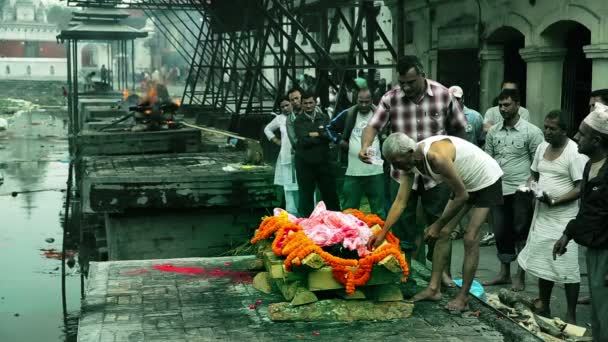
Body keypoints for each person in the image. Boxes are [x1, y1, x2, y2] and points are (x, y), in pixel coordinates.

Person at [359, 55, 467, 286]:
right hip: (403, 171)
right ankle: (404, 268)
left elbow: (460, 129)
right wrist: (365, 146)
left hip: (436, 173)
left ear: (422, 75)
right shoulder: (391, 98)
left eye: (411, 82)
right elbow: (373, 126)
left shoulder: (443, 94)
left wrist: (455, 162)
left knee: (440, 223)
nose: (406, 88)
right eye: (402, 83)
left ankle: (442, 273)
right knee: (402, 223)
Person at [370, 133, 503, 311]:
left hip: (486, 179)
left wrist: (437, 224)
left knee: (470, 238)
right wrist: (382, 234)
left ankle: (463, 298)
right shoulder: (409, 162)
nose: (395, 167)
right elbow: (400, 201)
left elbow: (462, 195)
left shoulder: (436, 157)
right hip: (464, 184)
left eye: (396, 162)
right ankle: (433, 289)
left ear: (410, 152)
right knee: (443, 233)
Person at [517, 110, 587, 324]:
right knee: (544, 261)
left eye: (552, 128)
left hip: (564, 217)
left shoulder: (574, 152)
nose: (546, 132)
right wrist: (531, 188)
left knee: (567, 267)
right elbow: (534, 175)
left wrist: (556, 201)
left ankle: (571, 315)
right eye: (545, 127)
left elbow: (579, 188)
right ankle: (544, 304)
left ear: (564, 131)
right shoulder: (541, 148)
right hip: (543, 213)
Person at [553, 103, 608, 342]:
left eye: (581, 134)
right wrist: (568, 234)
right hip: (594, 246)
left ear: (596, 141)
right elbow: (588, 210)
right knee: (598, 307)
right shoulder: (589, 166)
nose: (576, 137)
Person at [484, 89, 544, 291]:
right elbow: (488, 159)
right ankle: (504, 273)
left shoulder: (532, 132)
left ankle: (520, 275)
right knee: (501, 232)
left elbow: (539, 164)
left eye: (507, 104)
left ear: (517, 105)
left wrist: (533, 188)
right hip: (498, 188)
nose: (503, 109)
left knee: (521, 232)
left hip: (522, 190)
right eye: (500, 105)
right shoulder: (493, 132)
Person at [339, 88, 385, 218]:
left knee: (378, 210)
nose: (364, 105)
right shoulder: (348, 114)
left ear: (372, 100)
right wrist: (341, 142)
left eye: (367, 101)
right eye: (361, 101)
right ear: (356, 100)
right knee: (349, 211)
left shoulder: (380, 115)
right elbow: (329, 128)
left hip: (375, 170)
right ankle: (350, 236)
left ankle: (380, 236)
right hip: (353, 171)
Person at [293, 92, 340, 216]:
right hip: (305, 164)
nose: (308, 106)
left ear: (315, 103)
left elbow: (329, 135)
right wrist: (320, 134)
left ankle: (335, 221)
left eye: (311, 103)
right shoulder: (298, 121)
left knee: (330, 194)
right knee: (306, 196)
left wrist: (314, 134)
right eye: (305, 103)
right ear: (301, 104)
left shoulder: (324, 117)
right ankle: (307, 225)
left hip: (324, 162)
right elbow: (304, 140)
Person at [264, 96, 299, 215]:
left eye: (287, 105)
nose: (285, 108)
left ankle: (305, 212)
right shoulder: (279, 119)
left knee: (301, 185)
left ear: (292, 104)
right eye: (282, 106)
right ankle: (291, 213)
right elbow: (267, 129)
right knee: (288, 186)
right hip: (286, 155)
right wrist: (276, 140)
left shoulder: (299, 116)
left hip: (300, 155)